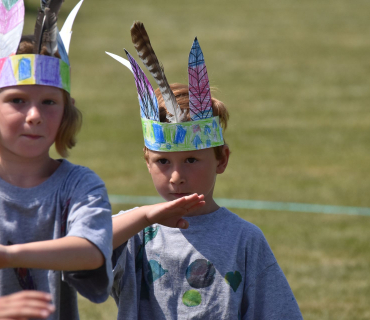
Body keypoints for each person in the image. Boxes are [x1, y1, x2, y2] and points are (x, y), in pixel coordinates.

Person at [107, 22, 303, 319]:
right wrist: (143, 217)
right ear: (147, 162)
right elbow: (83, 244)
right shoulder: (135, 232)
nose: (176, 176)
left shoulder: (245, 239)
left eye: (191, 160)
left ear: (221, 159)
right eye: (163, 161)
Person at [0, 1, 113, 318]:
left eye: (49, 101)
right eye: (17, 100)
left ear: (66, 110)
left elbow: (90, 250)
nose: (34, 115)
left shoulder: (79, 185)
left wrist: (9, 256)